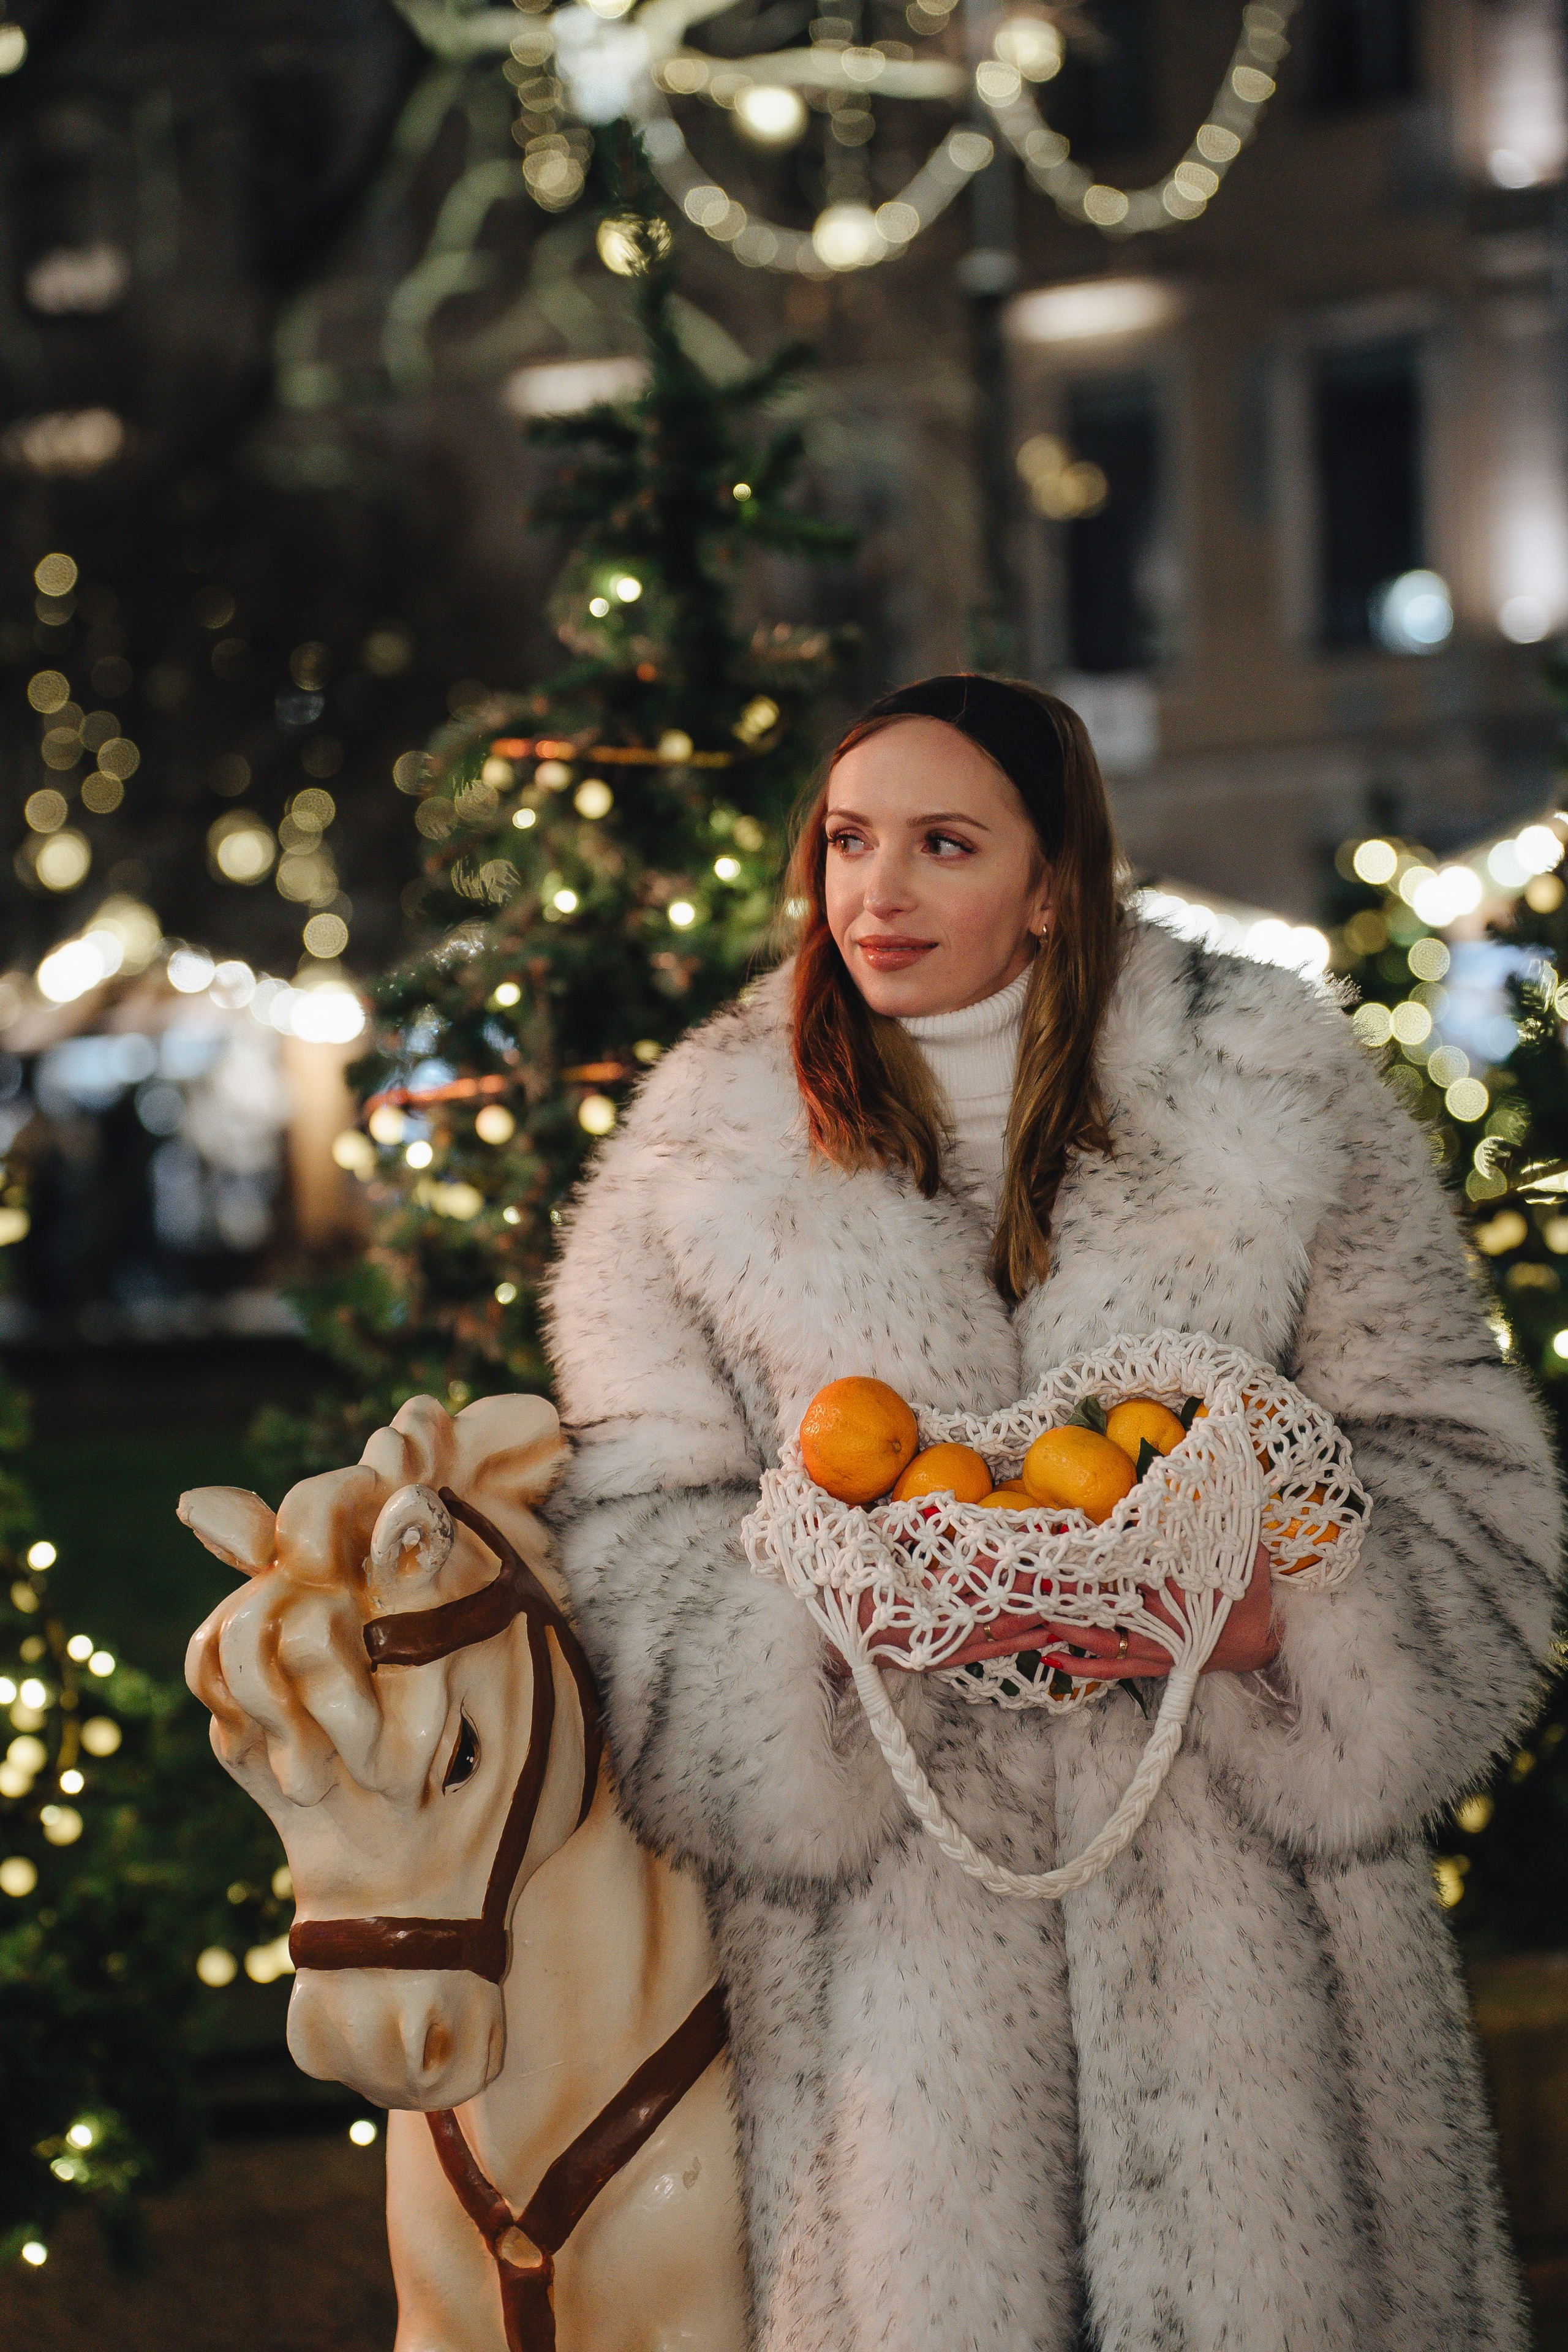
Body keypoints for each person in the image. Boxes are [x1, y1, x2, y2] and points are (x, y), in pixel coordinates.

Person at [545, 673, 1557, 2352]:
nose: (875, 894)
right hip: (896, 2041)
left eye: (943, 844)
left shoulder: (1275, 1094)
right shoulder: (702, 1157)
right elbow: (634, 1543)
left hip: (1267, 2014)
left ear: (1054, 879)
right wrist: (832, 1617)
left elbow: (1463, 1470)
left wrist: (1275, 1621)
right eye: (848, 842)